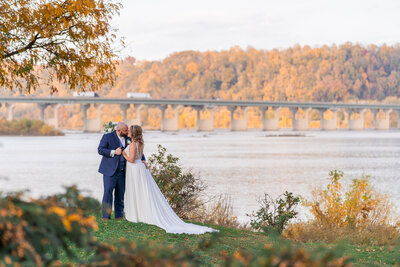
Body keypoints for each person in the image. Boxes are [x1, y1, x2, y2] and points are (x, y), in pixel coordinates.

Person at [122, 125, 217, 234]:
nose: (128, 132)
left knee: (138, 191)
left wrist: (124, 154)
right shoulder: (139, 143)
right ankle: (140, 213)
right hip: (139, 168)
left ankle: (139, 214)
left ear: (133, 133)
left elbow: (132, 159)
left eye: (129, 131)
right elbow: (139, 157)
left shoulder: (133, 144)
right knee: (142, 191)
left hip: (135, 169)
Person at [97, 122, 146, 220]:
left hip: (124, 171)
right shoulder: (107, 137)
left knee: (120, 194)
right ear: (119, 131)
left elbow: (136, 148)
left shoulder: (129, 138)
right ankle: (106, 216)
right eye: (125, 130)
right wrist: (114, 152)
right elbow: (100, 150)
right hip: (110, 171)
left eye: (128, 130)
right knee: (108, 193)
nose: (128, 132)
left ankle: (119, 216)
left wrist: (143, 159)